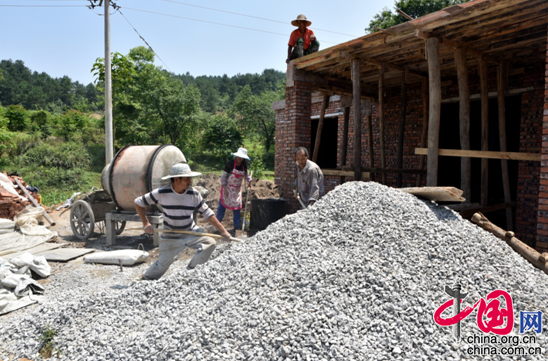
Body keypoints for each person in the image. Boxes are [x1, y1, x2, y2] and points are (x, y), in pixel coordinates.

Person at [135, 163, 231, 280]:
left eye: (190, 178)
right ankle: (146, 278)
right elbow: (138, 202)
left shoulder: (193, 194)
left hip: (191, 231)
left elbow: (208, 213)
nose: (190, 181)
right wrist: (146, 223)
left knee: (210, 243)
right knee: (162, 264)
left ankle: (191, 273)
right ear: (176, 179)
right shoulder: (162, 193)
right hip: (171, 234)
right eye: (186, 179)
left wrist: (223, 231)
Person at [216, 148, 252, 235]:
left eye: (241, 157)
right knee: (221, 207)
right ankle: (217, 226)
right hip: (228, 188)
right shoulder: (230, 164)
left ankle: (237, 228)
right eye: (238, 156)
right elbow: (223, 176)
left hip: (237, 191)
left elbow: (246, 175)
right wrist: (224, 188)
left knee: (237, 209)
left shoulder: (244, 166)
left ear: (244, 158)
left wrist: (249, 181)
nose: (239, 158)